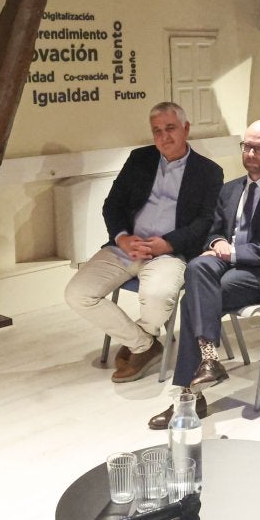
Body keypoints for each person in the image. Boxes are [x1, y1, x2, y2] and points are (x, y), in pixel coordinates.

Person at [152, 120, 260, 428]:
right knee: (197, 266)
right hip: (226, 267)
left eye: (259, 148)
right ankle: (207, 361)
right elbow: (213, 232)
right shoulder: (230, 189)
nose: (251, 153)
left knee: (190, 302)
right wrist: (218, 242)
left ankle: (189, 396)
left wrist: (233, 252)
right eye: (246, 146)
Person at [64, 102, 224, 382]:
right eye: (157, 131)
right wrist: (122, 238)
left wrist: (168, 244)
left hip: (169, 253)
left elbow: (204, 222)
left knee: (158, 297)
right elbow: (111, 205)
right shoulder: (139, 159)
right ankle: (144, 344)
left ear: (186, 129)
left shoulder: (208, 171)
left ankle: (140, 342)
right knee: (77, 293)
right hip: (125, 249)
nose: (164, 136)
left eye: (170, 128)